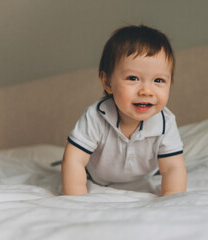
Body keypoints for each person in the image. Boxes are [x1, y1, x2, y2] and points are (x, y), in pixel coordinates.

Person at [62, 25, 187, 197]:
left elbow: (173, 167)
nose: (146, 91)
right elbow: (74, 159)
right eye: (133, 78)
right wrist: (76, 199)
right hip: (97, 179)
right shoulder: (96, 116)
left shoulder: (165, 122)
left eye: (158, 80)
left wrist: (172, 198)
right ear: (107, 83)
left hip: (144, 178)